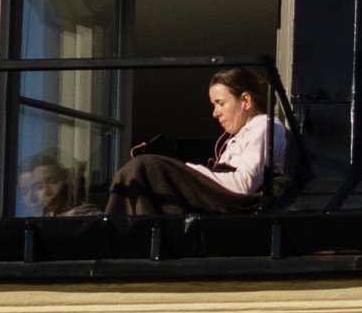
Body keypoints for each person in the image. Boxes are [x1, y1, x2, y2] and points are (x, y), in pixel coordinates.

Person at [104, 67, 290, 216]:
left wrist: (190, 171)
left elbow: (244, 185)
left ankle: (114, 232)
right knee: (142, 171)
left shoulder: (263, 126)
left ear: (245, 101)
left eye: (220, 103)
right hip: (219, 200)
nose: (215, 113)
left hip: (236, 205)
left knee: (144, 166)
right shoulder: (236, 137)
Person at [17, 150, 101, 217]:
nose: (46, 191)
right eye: (39, 186)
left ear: (67, 183)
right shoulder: (41, 220)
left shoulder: (84, 214)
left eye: (53, 182)